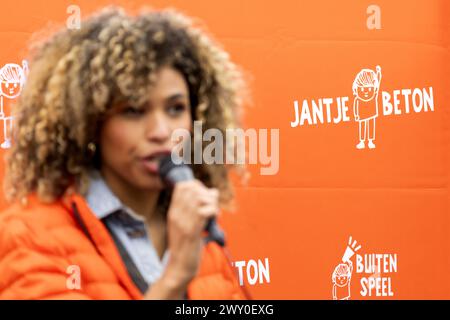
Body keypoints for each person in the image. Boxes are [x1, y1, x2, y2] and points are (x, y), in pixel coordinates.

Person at [0, 6, 251, 300]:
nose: (160, 130)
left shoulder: (199, 231)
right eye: (133, 111)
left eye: (175, 109)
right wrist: (174, 280)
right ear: (89, 123)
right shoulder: (31, 234)